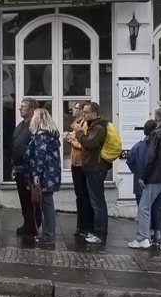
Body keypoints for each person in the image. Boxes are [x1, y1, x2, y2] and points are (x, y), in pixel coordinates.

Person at [133, 107, 161, 251]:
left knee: (144, 207)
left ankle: (143, 238)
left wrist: (142, 176)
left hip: (156, 175)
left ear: (156, 118)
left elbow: (150, 158)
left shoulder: (156, 134)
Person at [69, 102, 108, 247]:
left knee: (97, 203)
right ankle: (93, 231)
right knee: (91, 201)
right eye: (83, 112)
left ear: (95, 113)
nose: (83, 115)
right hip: (90, 167)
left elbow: (89, 143)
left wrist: (78, 132)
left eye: (86, 112)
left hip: (95, 168)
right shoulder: (93, 126)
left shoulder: (97, 127)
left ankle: (99, 233)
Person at [22, 106, 62, 244]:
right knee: (45, 204)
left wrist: (36, 175)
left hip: (45, 176)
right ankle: (46, 233)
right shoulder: (50, 135)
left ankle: (49, 235)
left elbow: (40, 156)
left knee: (46, 204)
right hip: (50, 175)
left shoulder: (42, 136)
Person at [11, 97, 38, 239]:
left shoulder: (34, 126)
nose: (20, 108)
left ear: (32, 109)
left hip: (29, 168)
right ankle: (27, 222)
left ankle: (33, 223)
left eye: (23, 106)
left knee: (30, 198)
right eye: (20, 106)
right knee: (23, 197)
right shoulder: (21, 125)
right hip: (19, 167)